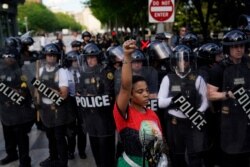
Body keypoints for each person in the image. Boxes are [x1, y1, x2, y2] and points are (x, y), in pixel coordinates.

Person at [113, 39, 163, 167]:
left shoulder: (152, 114)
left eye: (146, 90)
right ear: (130, 95)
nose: (146, 94)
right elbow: (125, 86)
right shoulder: (124, 114)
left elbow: (158, 145)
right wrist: (127, 56)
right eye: (140, 91)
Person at [158, 44, 209, 167]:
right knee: (176, 154)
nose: (183, 63)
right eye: (180, 60)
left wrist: (199, 112)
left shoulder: (197, 78)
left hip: (192, 121)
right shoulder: (168, 78)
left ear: (190, 61)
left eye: (186, 60)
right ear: (174, 61)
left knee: (194, 154)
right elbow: (160, 102)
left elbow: (205, 101)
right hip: (174, 123)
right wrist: (175, 100)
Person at [208, 29, 250, 167]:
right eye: (235, 47)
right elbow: (209, 94)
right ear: (228, 48)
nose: (239, 49)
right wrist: (227, 94)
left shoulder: (248, 64)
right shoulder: (219, 69)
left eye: (242, 46)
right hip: (228, 123)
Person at [77, 43, 116, 167]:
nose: (90, 60)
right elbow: (79, 91)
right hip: (90, 119)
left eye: (93, 57)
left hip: (105, 119)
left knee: (106, 151)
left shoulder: (106, 72)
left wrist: (92, 96)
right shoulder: (83, 74)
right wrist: (82, 94)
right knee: (95, 150)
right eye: (88, 58)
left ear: (98, 58)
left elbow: (109, 94)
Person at [37, 43, 75, 167]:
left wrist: (48, 91)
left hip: (58, 109)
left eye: (53, 55)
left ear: (57, 57)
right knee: (50, 136)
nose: (51, 57)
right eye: (49, 55)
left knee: (59, 137)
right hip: (45, 110)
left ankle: (63, 162)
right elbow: (36, 91)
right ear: (45, 56)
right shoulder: (40, 70)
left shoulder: (62, 71)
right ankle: (52, 158)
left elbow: (63, 93)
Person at [0, 47, 36, 167]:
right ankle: (11, 154)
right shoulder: (1, 70)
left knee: (21, 137)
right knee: (8, 135)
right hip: (5, 110)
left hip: (20, 110)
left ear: (16, 57)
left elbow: (26, 88)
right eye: (4, 57)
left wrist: (19, 90)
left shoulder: (22, 71)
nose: (7, 59)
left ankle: (25, 161)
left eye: (10, 56)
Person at [65, 50, 87, 160]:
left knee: (83, 127)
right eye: (72, 60)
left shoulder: (83, 72)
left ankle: (82, 150)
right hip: (70, 101)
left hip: (81, 101)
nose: (75, 62)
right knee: (70, 128)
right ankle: (70, 151)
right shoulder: (64, 72)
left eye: (76, 60)